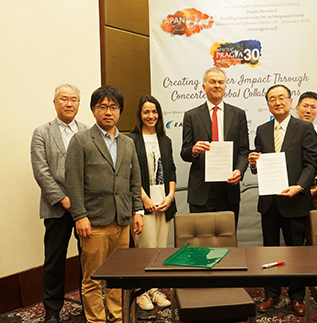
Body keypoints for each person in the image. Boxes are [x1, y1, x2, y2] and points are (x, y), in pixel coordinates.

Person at [65, 85, 144, 322]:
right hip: (94, 222)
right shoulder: (80, 141)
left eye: (113, 107)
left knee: (118, 276)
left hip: (122, 220)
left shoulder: (128, 142)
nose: (108, 111)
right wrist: (79, 215)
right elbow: (73, 181)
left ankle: (117, 317)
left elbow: (135, 179)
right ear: (93, 110)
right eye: (102, 107)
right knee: (92, 278)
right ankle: (96, 320)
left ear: (120, 111)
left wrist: (137, 211)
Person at [248, 84, 317, 315]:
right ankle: (271, 293)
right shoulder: (261, 129)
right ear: (268, 104)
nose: (277, 102)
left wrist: (299, 187)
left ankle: (297, 296)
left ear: (291, 102)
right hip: (269, 202)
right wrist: (253, 163)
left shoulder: (305, 128)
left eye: (281, 98)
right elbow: (259, 165)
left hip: (295, 200)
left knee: (296, 250)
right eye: (272, 99)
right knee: (270, 250)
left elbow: (310, 164)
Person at [31, 84, 88, 323]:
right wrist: (65, 200)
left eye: (74, 99)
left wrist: (80, 203)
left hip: (85, 208)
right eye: (64, 99)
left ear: (79, 104)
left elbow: (92, 170)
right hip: (56, 208)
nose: (69, 103)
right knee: (54, 260)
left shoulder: (87, 131)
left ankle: (89, 305)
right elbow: (41, 172)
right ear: (55, 103)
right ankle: (52, 310)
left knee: (88, 259)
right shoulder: (41, 132)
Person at [181, 67, 249, 226]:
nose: (217, 85)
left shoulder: (238, 114)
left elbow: (244, 151)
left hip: (228, 189)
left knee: (228, 240)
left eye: (221, 82)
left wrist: (239, 170)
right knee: (202, 241)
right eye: (212, 82)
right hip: (201, 190)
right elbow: (185, 153)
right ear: (204, 87)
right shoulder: (191, 116)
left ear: (225, 86)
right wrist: (194, 150)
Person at [128, 95, 176, 310]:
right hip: (143, 205)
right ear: (140, 114)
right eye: (146, 112)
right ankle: (141, 293)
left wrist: (170, 196)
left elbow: (171, 170)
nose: (151, 116)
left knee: (160, 250)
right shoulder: (131, 140)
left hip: (164, 203)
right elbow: (129, 174)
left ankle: (154, 290)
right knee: (145, 249)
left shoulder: (165, 140)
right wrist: (144, 199)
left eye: (154, 111)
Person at [295, 91, 317, 210]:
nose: (308, 111)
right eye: (305, 106)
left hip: (316, 186)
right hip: (293, 185)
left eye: (313, 107)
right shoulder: (288, 132)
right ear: (297, 108)